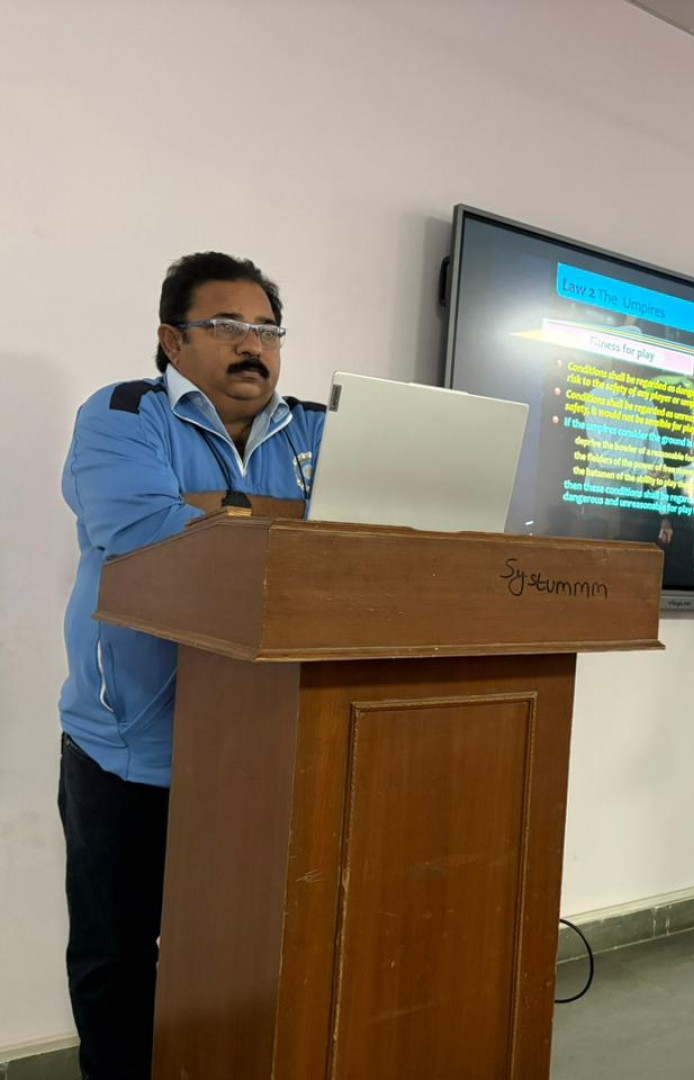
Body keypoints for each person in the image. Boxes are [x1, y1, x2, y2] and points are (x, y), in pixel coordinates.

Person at [56, 252, 326, 1079]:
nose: (253, 346)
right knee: (117, 956)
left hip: (270, 743)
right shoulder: (122, 415)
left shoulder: (320, 430)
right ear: (173, 341)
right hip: (130, 749)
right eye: (227, 326)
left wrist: (212, 512)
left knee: (247, 950)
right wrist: (297, 524)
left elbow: (381, 543)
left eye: (268, 330)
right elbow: (146, 536)